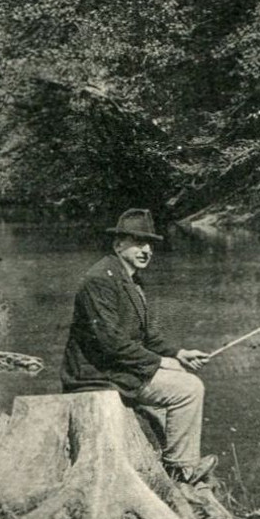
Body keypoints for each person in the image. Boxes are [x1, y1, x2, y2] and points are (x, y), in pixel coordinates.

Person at [61, 208, 217, 485]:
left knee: (182, 379)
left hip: (116, 368)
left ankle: (175, 462)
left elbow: (148, 336)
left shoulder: (130, 279)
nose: (147, 251)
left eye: (150, 245)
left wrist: (178, 353)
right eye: (138, 243)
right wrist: (159, 363)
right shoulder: (99, 280)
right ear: (118, 244)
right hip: (95, 374)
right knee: (190, 389)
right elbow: (110, 342)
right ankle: (181, 470)